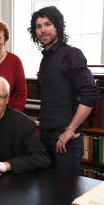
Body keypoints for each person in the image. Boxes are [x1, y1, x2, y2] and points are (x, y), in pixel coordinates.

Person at [28, 6, 100, 175]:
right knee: (47, 194)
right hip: (46, 137)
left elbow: (91, 94)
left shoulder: (71, 54)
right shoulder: (45, 59)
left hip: (66, 141)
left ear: (58, 27)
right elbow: (54, 97)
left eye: (48, 24)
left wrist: (69, 131)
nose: (43, 30)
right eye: (38, 26)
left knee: (66, 196)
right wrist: (40, 123)